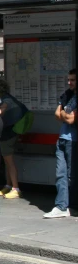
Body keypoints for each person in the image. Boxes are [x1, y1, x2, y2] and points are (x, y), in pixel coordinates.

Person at [44, 69, 78, 219]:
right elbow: (57, 114)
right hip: (63, 139)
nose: (69, 82)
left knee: (72, 175)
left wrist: (64, 114)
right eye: (69, 79)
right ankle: (61, 206)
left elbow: (71, 119)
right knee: (61, 174)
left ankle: (72, 206)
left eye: (73, 80)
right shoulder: (67, 94)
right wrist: (66, 114)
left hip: (74, 140)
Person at [0, 77, 26, 199]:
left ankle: (15, 188)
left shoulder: (6, 101)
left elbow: (0, 112)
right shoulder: (8, 98)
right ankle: (8, 185)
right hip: (9, 133)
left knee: (9, 162)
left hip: (8, 134)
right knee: (6, 161)